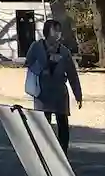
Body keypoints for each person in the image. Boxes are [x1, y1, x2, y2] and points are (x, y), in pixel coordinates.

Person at [26, 18, 83, 153]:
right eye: (54, 30)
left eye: (59, 30)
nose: (58, 33)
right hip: (42, 92)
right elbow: (29, 63)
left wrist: (78, 95)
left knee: (62, 123)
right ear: (47, 31)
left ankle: (62, 152)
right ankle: (44, 152)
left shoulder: (64, 51)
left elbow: (72, 74)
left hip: (59, 93)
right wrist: (44, 64)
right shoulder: (36, 47)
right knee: (43, 124)